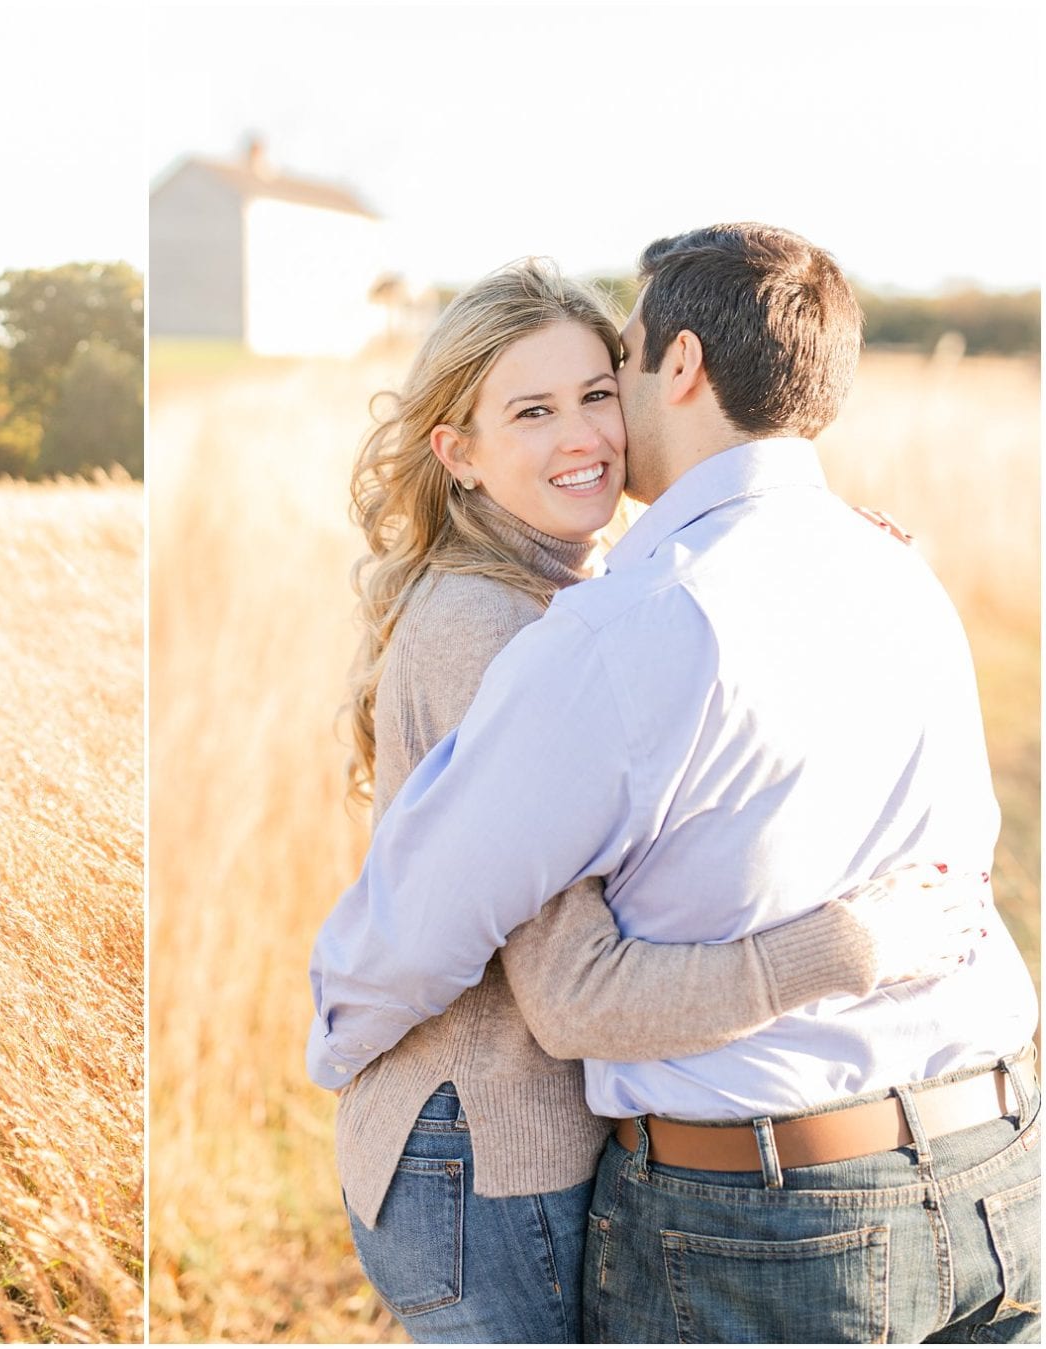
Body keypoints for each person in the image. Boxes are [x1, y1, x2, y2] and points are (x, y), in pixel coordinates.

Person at [309, 226, 1038, 1344]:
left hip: (788, 1206)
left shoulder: (631, 611)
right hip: (981, 1176)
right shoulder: (876, 571)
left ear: (678, 368)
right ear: (456, 449)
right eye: (533, 410)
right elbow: (522, 973)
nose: (592, 433)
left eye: (604, 384)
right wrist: (340, 1041)